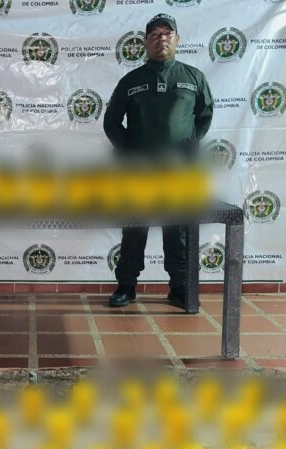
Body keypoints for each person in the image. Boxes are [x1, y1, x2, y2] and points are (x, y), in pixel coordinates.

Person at [103, 14, 213, 308]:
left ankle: (179, 289)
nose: (161, 39)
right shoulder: (131, 81)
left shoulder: (193, 78)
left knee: (178, 232)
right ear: (145, 43)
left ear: (177, 40)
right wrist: (129, 151)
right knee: (134, 229)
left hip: (178, 171)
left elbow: (205, 115)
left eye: (167, 34)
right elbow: (111, 121)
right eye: (154, 35)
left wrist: (191, 143)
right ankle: (126, 286)